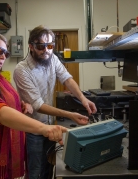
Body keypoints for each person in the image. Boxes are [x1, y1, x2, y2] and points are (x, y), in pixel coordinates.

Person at [0, 30, 67, 179]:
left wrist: (20, 105)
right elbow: (0, 112)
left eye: (6, 53)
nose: (3, 56)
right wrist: (44, 128)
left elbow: (5, 101)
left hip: (0, 155)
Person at [13, 25, 97, 179]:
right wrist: (70, 115)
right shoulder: (22, 70)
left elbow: (67, 79)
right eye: (41, 46)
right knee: (35, 172)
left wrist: (83, 99)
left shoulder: (53, 59)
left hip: (51, 126)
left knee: (48, 169)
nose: (46, 50)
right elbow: (38, 106)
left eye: (50, 45)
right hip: (34, 129)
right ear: (31, 46)